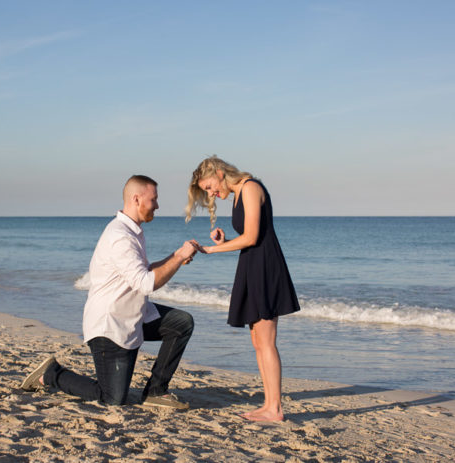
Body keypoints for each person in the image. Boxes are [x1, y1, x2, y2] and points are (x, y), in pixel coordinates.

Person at [21, 175, 199, 409]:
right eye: (153, 199)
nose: (157, 205)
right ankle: (51, 374)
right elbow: (146, 283)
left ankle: (156, 391)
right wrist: (178, 259)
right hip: (110, 327)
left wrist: (175, 257)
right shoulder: (120, 237)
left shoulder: (132, 231)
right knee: (113, 398)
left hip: (134, 315)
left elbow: (143, 271)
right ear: (136, 199)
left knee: (181, 323)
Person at [186, 155, 300, 421]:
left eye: (210, 186)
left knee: (267, 341)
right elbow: (249, 236)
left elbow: (251, 237)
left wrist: (213, 249)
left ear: (219, 172)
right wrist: (227, 240)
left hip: (265, 266)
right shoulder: (238, 194)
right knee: (258, 341)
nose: (212, 193)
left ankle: (275, 408)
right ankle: (269, 403)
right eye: (206, 191)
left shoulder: (250, 187)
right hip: (251, 265)